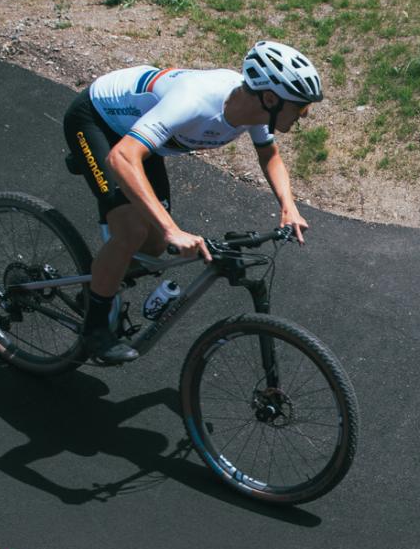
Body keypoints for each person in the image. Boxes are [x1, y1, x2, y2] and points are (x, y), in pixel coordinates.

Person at [62, 40, 324, 364]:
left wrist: (288, 206)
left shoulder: (254, 109)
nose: (305, 114)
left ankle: (98, 284)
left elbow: (269, 154)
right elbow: (122, 158)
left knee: (154, 245)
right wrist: (173, 229)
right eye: (300, 107)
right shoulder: (196, 102)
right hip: (98, 122)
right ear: (270, 98)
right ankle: (95, 328)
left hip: (142, 138)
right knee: (131, 232)